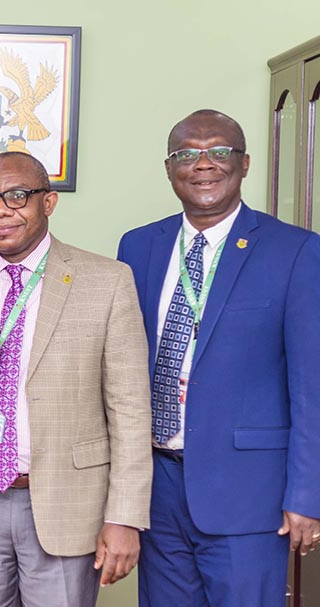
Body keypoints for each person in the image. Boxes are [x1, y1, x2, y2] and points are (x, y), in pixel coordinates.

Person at [0, 151, 152, 606]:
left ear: (48, 202)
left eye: (17, 196)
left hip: (68, 502)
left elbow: (130, 410)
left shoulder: (108, 281)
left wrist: (125, 516)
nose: (0, 210)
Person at [117, 109, 320, 607]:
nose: (203, 163)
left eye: (219, 151)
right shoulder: (139, 246)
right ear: (169, 169)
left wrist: (307, 496)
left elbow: (311, 385)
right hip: (155, 487)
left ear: (245, 163)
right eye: (187, 153)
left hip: (248, 493)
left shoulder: (295, 251)